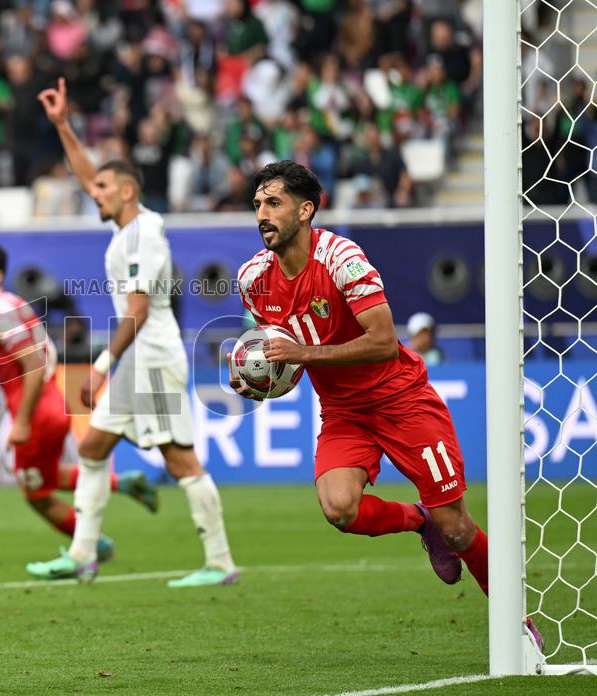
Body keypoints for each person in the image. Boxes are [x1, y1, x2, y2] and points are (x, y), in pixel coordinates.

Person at [231, 160, 543, 646]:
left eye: (274, 203)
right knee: (339, 509)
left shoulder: (342, 259)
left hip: (402, 400)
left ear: (306, 209)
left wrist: (304, 354)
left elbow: (382, 340)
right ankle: (419, 520)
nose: (262, 215)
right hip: (344, 413)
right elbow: (284, 362)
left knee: (458, 529)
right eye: (258, 205)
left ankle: (517, 625)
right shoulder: (253, 279)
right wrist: (261, 381)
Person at [27, 78, 238, 587]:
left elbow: (139, 311)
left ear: (126, 191)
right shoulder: (128, 226)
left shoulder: (145, 233)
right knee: (95, 448)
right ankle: (82, 556)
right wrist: (62, 126)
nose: (90, 193)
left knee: (179, 458)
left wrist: (100, 367)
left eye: (100, 189)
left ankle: (220, 563)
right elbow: (89, 176)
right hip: (140, 357)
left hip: (152, 355)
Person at [0, 240, 159, 562]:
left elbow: (34, 365)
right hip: (51, 403)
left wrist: (22, 422)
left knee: (36, 494)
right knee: (46, 475)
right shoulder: (12, 303)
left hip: (37, 412)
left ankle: (91, 547)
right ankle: (122, 484)